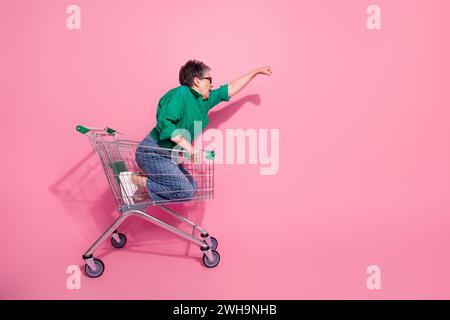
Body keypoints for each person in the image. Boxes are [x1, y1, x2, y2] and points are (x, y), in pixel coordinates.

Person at [133, 60, 272, 202]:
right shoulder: (182, 93)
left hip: (170, 157)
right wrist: (191, 149)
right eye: (209, 80)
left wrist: (256, 71)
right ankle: (136, 181)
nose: (212, 85)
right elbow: (167, 125)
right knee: (185, 191)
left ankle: (141, 186)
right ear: (197, 81)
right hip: (153, 152)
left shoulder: (204, 101)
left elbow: (230, 88)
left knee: (192, 189)